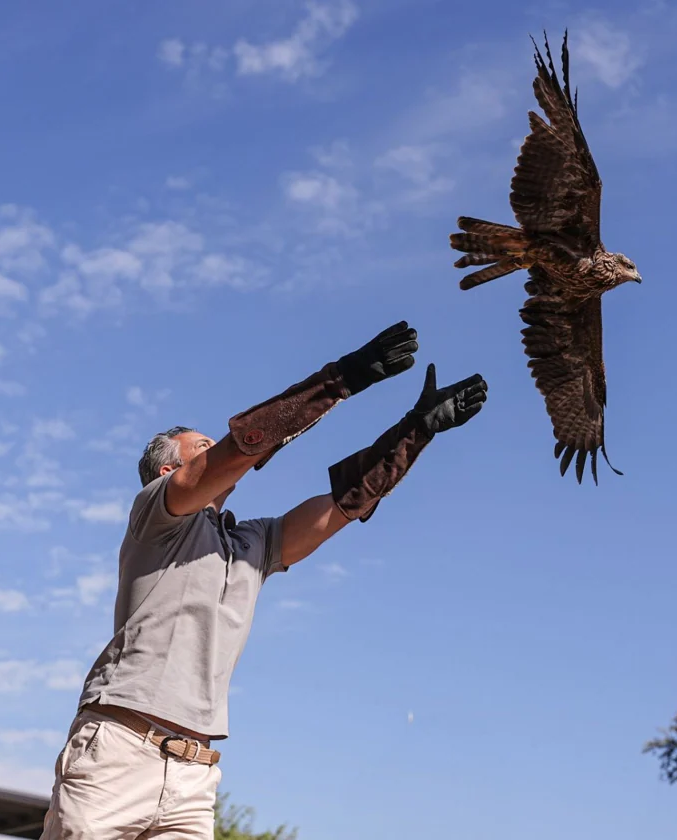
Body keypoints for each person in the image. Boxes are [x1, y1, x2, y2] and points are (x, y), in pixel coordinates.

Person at [40, 321, 488, 839]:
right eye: (201, 447)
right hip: (118, 751)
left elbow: (341, 506)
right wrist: (341, 380)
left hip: (194, 775)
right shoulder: (155, 518)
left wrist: (417, 430)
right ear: (167, 473)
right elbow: (240, 450)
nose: (217, 452)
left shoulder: (250, 545)